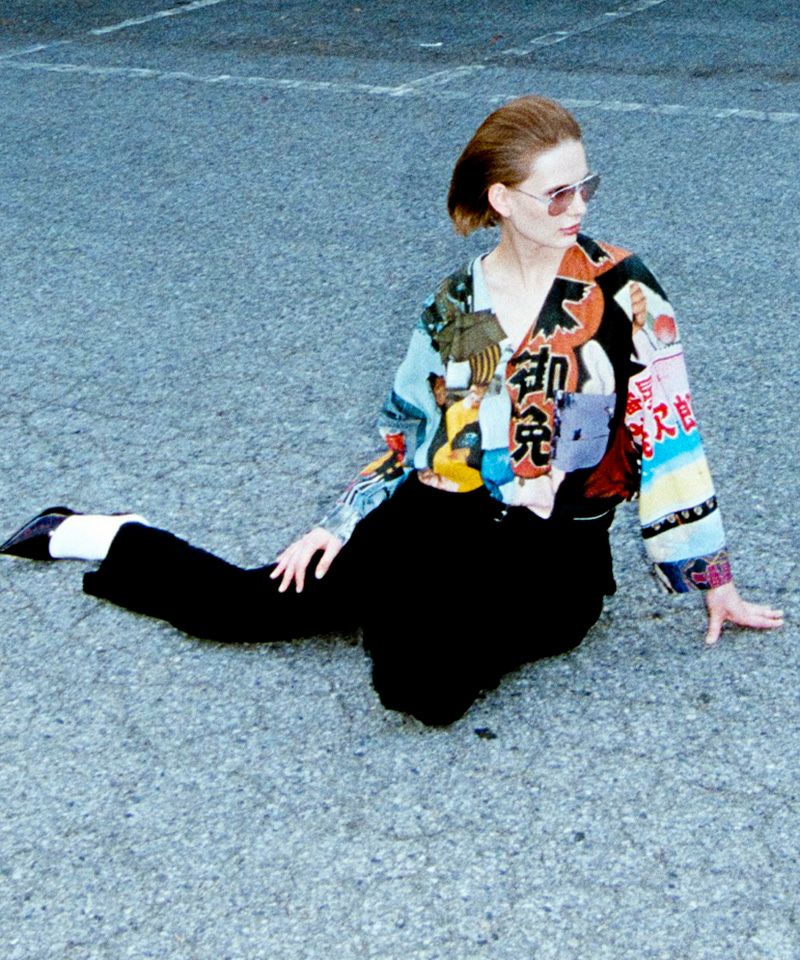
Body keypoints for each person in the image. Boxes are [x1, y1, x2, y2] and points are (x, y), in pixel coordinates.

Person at [1, 95, 782, 726]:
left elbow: (668, 433)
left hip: (551, 556)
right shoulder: (458, 304)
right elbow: (411, 431)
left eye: (587, 187)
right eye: (557, 193)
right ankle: (104, 533)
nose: (578, 206)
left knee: (423, 692)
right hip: (436, 514)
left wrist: (713, 579)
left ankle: (393, 602)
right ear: (502, 199)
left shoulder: (622, 290)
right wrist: (340, 524)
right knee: (246, 609)